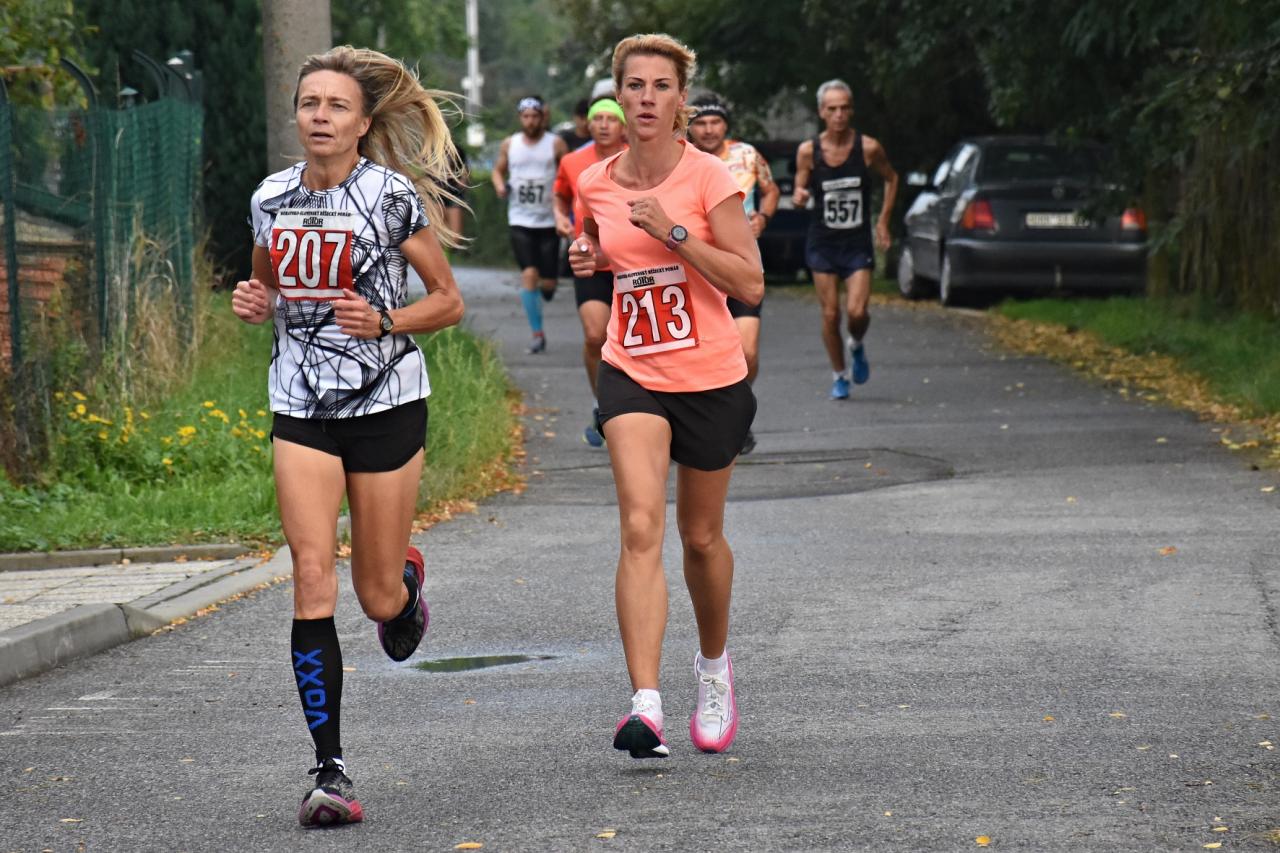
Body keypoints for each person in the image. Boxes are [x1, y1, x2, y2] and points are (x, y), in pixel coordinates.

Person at [231, 45, 465, 828]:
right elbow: (266, 281)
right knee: (310, 573)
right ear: (296, 115)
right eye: (310, 104)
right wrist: (255, 301)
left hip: (386, 401)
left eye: (336, 105)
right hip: (300, 403)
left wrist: (387, 318)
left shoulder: (389, 196)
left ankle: (403, 586)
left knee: (374, 594)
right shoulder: (271, 196)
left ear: (363, 123)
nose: (321, 116)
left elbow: (448, 300)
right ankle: (329, 770)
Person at [569, 34, 763, 759]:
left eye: (660, 86)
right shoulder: (596, 181)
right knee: (640, 525)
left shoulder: (710, 177)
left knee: (700, 538)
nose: (646, 98)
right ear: (619, 95)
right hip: (633, 368)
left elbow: (749, 281)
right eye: (635, 85)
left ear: (680, 99)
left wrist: (674, 231)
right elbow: (605, 252)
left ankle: (713, 668)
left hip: (710, 376)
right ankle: (645, 705)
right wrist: (590, 259)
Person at [792, 79, 898, 399]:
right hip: (822, 243)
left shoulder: (868, 148)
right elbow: (800, 189)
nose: (839, 114)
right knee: (830, 314)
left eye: (844, 108)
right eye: (832, 109)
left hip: (856, 243)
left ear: (851, 111)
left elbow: (892, 179)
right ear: (822, 112)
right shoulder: (808, 151)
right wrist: (799, 197)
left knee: (856, 312)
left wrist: (883, 221)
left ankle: (857, 343)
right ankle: (839, 375)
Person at [687, 94, 779, 453]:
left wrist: (764, 217)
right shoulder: (680, 158)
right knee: (700, 354)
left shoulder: (747, 155)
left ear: (726, 125)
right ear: (690, 127)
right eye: (701, 123)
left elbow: (771, 190)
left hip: (742, 267)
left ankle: (737, 411)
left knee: (747, 351)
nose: (709, 130)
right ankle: (700, 420)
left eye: (715, 122)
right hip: (697, 271)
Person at [553, 96, 627, 447]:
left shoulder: (637, 158)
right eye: (598, 118)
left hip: (631, 262)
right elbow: (560, 195)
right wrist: (560, 217)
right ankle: (604, 406)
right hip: (590, 258)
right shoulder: (572, 161)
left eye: (611, 119)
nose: (603, 125)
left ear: (623, 125)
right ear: (588, 124)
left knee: (633, 340)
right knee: (596, 335)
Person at [492, 95, 568, 353]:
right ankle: (537, 334)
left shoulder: (555, 144)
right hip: (520, 219)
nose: (530, 121)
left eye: (535, 116)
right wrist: (500, 186)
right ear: (520, 118)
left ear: (542, 117)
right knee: (529, 274)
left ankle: (548, 288)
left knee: (548, 284)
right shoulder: (510, 144)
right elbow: (498, 170)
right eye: (526, 116)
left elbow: (568, 173)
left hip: (548, 221)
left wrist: (564, 200)